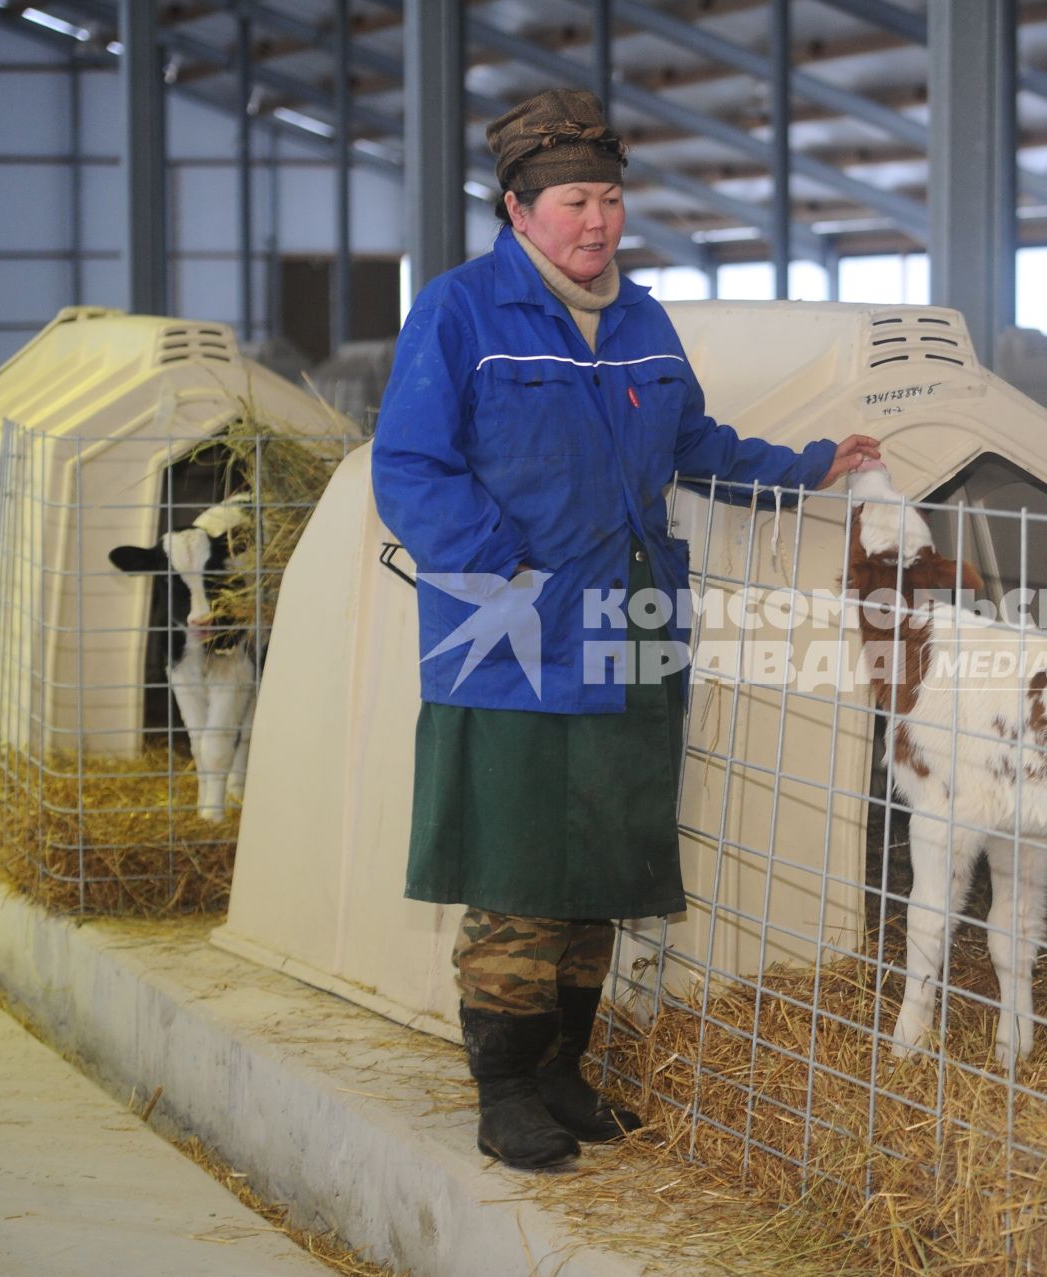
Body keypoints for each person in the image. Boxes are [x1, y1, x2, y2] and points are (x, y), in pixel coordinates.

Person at [372, 87, 880, 1172]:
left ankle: (564, 1067)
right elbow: (409, 464)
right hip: (505, 621)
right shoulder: (461, 313)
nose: (596, 221)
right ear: (518, 208)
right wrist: (497, 564)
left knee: (603, 849)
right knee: (519, 856)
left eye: (609, 198)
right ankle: (505, 1084)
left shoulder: (644, 319)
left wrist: (807, 469)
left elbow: (693, 440)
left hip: (632, 612)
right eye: (572, 202)